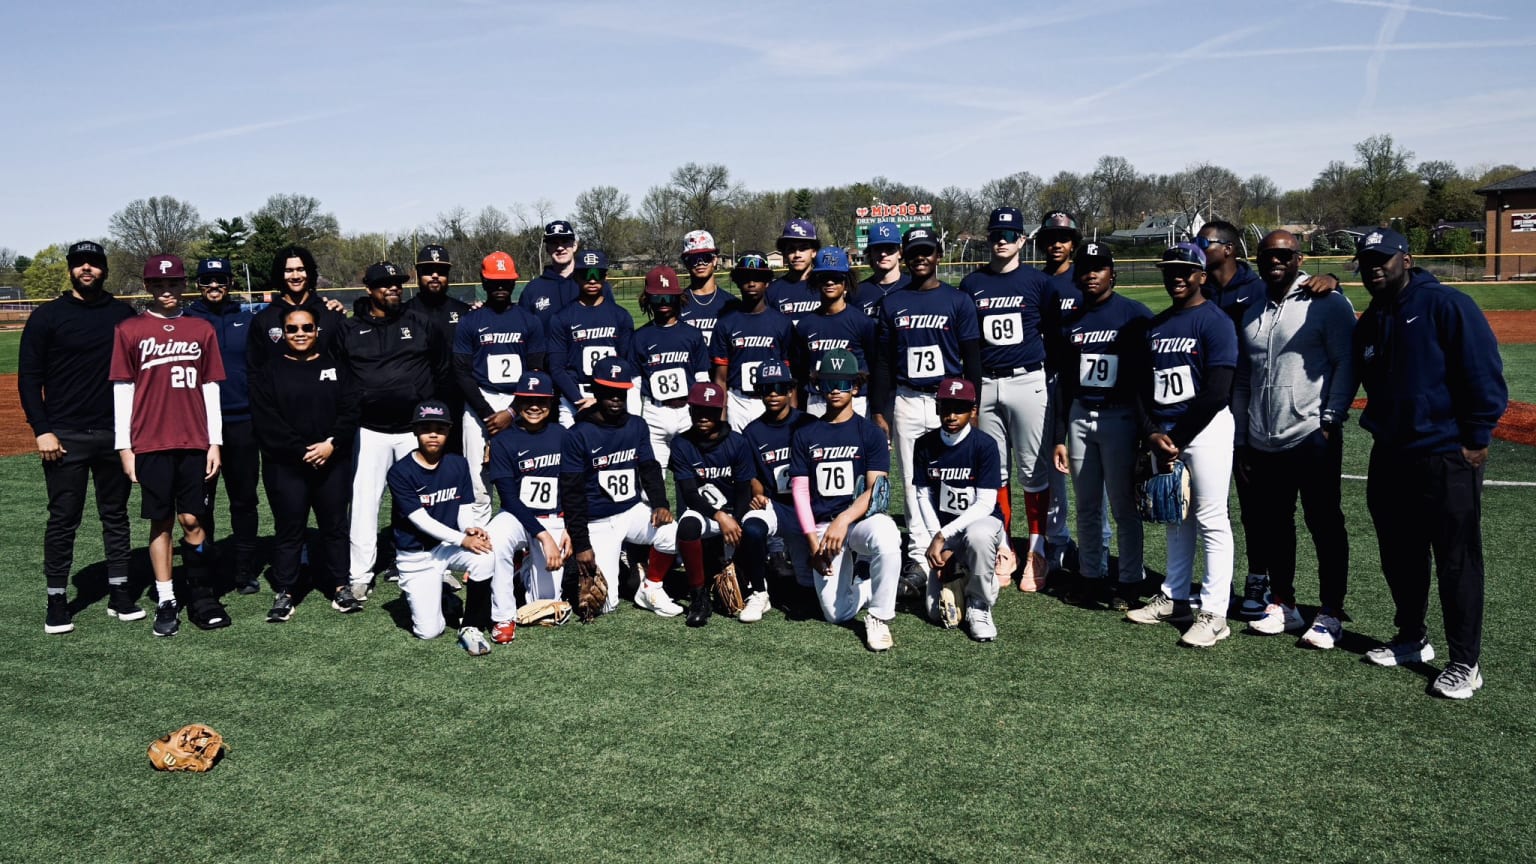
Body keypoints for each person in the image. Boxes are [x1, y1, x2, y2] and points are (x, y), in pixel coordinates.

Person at [1352, 228, 1507, 699]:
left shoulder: (1447, 305)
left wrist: (1476, 436)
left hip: (1445, 452)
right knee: (1400, 554)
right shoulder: (1373, 317)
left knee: (1456, 560)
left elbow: (1482, 371)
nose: (1374, 266)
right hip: (1392, 453)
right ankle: (1411, 638)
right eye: (1366, 260)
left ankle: (1465, 661)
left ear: (1407, 259)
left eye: (1383, 258)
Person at [1196, 219, 1340, 616]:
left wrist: (1332, 279)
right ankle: (1248, 591)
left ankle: (1269, 584)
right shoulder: (1203, 287)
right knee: (1229, 509)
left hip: (1282, 420)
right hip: (1223, 415)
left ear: (1228, 248)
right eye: (1269, 256)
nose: (1198, 249)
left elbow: (1305, 294)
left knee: (1287, 512)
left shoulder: (1257, 286)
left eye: (1204, 243)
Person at [1231, 231, 1357, 645]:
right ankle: (1284, 604)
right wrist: (1243, 434)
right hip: (1263, 437)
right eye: (1269, 254)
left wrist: (1331, 418)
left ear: (1299, 257)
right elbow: (1245, 377)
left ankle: (1330, 612)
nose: (1276, 261)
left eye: (1284, 254)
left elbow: (1346, 363)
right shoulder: (1252, 309)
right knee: (1274, 525)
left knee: (1324, 522)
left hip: (1310, 434)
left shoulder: (1327, 302)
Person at [19, 240, 137, 634]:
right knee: (63, 519)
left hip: (113, 433)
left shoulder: (123, 314)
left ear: (104, 269)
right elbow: (29, 379)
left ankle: (120, 593)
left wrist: (132, 433)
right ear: (70, 269)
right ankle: (56, 600)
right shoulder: (47, 316)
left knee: (116, 516)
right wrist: (43, 431)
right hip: (64, 436)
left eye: (94, 264)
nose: (87, 269)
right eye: (79, 264)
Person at [1124, 244, 1238, 648]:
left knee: (1210, 517)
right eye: (1170, 270)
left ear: (1202, 276)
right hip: (1167, 433)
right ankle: (1174, 597)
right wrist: (1153, 433)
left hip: (1204, 431)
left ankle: (1214, 612)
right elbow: (1141, 390)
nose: (1176, 277)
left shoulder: (1215, 322)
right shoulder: (1155, 326)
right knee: (1175, 514)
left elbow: (1217, 391)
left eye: (1185, 270)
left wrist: (1177, 437)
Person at [110, 254, 227, 637]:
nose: (167, 291)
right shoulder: (129, 330)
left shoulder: (200, 329)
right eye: (159, 285)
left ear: (183, 285)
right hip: (151, 441)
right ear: (148, 287)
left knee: (192, 519)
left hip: (194, 440)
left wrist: (215, 442)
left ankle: (201, 593)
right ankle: (166, 598)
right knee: (160, 521)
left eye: (174, 284)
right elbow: (123, 390)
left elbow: (210, 387)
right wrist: (125, 447)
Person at [871, 227, 982, 589]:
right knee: (915, 481)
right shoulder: (892, 303)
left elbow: (971, 357)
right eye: (914, 252)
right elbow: (884, 364)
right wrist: (880, 411)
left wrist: (973, 402)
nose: (921, 258)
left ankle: (959, 550)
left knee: (956, 478)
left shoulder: (958, 300)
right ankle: (920, 557)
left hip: (948, 402)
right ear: (905, 256)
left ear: (938, 255)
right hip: (906, 398)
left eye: (927, 251)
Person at [1050, 243, 1153, 611]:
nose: (1091, 274)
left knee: (1124, 507)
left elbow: (1146, 378)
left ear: (1113, 272)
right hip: (1081, 415)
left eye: (1099, 268)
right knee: (1088, 505)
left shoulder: (1134, 315)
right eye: (1085, 268)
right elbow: (1064, 384)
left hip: (1120, 417)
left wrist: (1145, 431)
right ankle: (1091, 576)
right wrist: (1059, 435)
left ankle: (1129, 580)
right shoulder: (1072, 320)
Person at [339, 261, 450, 599]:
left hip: (412, 431)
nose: (394, 289)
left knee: (424, 500)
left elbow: (441, 370)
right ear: (369, 289)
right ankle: (360, 573)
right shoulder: (348, 328)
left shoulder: (419, 323)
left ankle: (433, 566)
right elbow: (341, 378)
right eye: (385, 284)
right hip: (369, 430)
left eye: (398, 284)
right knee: (363, 504)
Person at [962, 207, 1054, 591]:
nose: (1001, 239)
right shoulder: (972, 283)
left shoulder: (1038, 282)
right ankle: (1003, 546)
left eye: (1009, 233)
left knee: (1034, 471)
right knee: (994, 471)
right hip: (986, 384)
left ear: (1022, 240)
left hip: (1027, 380)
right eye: (995, 233)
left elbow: (1052, 332)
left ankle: (1037, 547)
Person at [250, 305, 360, 621]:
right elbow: (266, 420)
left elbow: (350, 410)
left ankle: (341, 586)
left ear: (317, 331)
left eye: (307, 328)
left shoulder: (336, 367)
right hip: (286, 466)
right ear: (282, 333)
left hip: (332, 463)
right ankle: (285, 590)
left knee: (334, 526)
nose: (300, 334)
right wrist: (302, 450)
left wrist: (331, 444)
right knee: (289, 528)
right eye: (293, 329)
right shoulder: (268, 371)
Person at [791, 349, 902, 650]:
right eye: (828, 382)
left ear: (856, 386)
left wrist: (843, 519)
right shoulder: (805, 433)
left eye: (843, 382)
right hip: (823, 529)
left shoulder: (871, 433)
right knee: (835, 614)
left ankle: (879, 618)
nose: (836, 389)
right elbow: (800, 491)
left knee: (888, 534)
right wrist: (812, 543)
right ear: (819, 387)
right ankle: (867, 586)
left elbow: (876, 488)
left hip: (857, 522)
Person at [559, 357, 677, 617]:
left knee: (673, 533)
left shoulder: (637, 424)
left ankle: (651, 585)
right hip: (598, 522)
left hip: (631, 510)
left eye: (620, 392)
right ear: (596, 391)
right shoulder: (577, 434)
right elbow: (572, 494)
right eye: (609, 391)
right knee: (604, 606)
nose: (615, 398)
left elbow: (649, 468)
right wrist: (582, 544)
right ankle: (617, 570)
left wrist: (660, 504)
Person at [385, 401, 497, 655]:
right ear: (415, 431)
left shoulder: (457, 464)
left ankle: (471, 626)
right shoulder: (400, 472)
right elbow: (420, 520)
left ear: (449, 431)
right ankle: (443, 596)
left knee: (485, 555)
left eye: (440, 428)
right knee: (429, 632)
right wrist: (462, 539)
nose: (433, 434)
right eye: (426, 428)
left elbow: (465, 508)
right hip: (416, 555)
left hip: (445, 547)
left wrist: (470, 530)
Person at [185, 257, 262, 594]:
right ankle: (208, 563)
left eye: (219, 279)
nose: (213, 286)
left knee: (244, 499)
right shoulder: (188, 320)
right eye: (206, 280)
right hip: (200, 428)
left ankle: (244, 569)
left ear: (230, 282)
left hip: (243, 422)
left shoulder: (246, 319)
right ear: (197, 284)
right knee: (202, 503)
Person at [453, 251, 547, 525]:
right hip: (479, 402)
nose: (500, 287)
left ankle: (523, 549)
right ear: (483, 282)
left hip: (520, 403)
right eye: (494, 282)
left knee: (525, 476)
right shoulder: (470, 322)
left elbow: (535, 371)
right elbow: (461, 371)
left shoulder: (529, 321)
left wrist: (512, 410)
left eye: (505, 282)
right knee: (478, 485)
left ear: (514, 282)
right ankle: (479, 553)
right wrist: (488, 414)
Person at [912, 378, 1008, 642]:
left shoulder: (985, 445)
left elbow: (986, 504)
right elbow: (923, 495)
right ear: (937, 408)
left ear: (973, 411)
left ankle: (980, 604)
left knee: (978, 535)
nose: (951, 415)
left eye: (959, 408)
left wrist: (943, 537)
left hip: (983, 524)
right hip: (945, 532)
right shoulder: (924, 444)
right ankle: (970, 574)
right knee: (935, 613)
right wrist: (937, 540)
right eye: (946, 408)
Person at [654, 382, 755, 627]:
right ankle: (698, 596)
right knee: (687, 526)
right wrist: (719, 516)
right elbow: (689, 494)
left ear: (721, 411)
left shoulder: (737, 442)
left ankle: (757, 585)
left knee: (753, 530)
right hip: (706, 513)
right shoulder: (681, 443)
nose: (703, 416)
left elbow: (744, 491)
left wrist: (736, 522)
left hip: (735, 513)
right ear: (689, 411)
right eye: (697, 409)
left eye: (709, 411)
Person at [485, 371, 568, 643]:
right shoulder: (502, 441)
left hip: (555, 517)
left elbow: (574, 486)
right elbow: (508, 498)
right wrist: (543, 536)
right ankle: (503, 618)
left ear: (552, 403)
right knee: (496, 539)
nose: (534, 406)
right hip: (518, 516)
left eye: (541, 401)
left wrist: (570, 527)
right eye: (527, 400)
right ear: (517, 402)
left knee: (546, 606)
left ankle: (523, 569)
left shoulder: (563, 435)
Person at [736, 362, 819, 619]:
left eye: (779, 388)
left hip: (809, 509)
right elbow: (753, 476)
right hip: (777, 506)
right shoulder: (752, 431)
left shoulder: (808, 423)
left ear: (790, 390)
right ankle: (760, 592)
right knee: (751, 525)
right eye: (766, 389)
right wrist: (759, 494)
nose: (773, 394)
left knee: (811, 591)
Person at [1035, 210, 1086, 570]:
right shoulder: (1035, 283)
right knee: (1051, 463)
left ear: (1074, 244)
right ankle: (1058, 539)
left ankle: (1096, 543)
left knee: (1087, 467)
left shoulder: (1084, 281)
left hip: (1084, 381)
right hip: (1047, 378)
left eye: (1063, 238)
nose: (1057, 244)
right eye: (1051, 238)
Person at [631, 265, 710, 469]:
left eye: (669, 296)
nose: (664, 302)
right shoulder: (640, 337)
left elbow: (702, 380)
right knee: (652, 480)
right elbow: (634, 386)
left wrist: (702, 412)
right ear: (647, 299)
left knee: (694, 479)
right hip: (654, 412)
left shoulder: (693, 335)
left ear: (678, 298)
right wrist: (634, 422)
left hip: (687, 413)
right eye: (657, 297)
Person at [547, 250, 635, 427]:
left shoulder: (621, 316)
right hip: (576, 398)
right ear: (575, 277)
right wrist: (579, 400)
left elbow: (627, 362)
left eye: (598, 273)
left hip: (612, 397)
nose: (592, 279)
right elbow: (556, 368)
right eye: (586, 274)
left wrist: (607, 399)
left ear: (605, 277)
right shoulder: (561, 318)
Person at [711, 252, 794, 432]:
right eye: (745, 278)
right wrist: (722, 418)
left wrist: (792, 414)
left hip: (772, 401)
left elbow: (790, 375)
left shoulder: (782, 323)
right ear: (738, 281)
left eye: (758, 278)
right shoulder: (725, 324)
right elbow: (720, 378)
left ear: (767, 282)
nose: (751, 283)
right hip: (737, 402)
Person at [793, 247, 876, 416]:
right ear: (816, 281)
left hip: (854, 399)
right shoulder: (805, 325)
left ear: (846, 281)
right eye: (824, 278)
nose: (830, 282)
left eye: (836, 278)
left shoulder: (863, 322)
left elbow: (874, 367)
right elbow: (799, 371)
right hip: (817, 400)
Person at [406, 243, 472, 451]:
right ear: (418, 274)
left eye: (441, 271)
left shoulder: (464, 311)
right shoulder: (403, 313)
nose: (435, 276)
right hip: (415, 401)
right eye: (428, 271)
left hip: (456, 401)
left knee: (455, 463)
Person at [247, 245, 344, 370]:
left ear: (309, 272)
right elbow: (255, 367)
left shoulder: (331, 313)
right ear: (280, 274)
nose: (295, 276)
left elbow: (344, 362)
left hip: (325, 387)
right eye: (288, 270)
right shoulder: (264, 319)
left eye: (301, 269)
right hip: (281, 388)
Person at [516, 220, 615, 316]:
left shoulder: (594, 284)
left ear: (575, 245)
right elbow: (523, 328)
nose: (560, 248)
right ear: (547, 248)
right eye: (554, 243)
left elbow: (612, 321)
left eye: (565, 241)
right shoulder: (533, 289)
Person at [678, 229, 737, 351]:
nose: (700, 263)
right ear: (686, 263)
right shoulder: (677, 303)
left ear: (715, 260)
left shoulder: (732, 304)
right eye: (694, 258)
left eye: (706, 257)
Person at [766, 218, 824, 327]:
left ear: (814, 252)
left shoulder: (826, 286)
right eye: (791, 249)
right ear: (784, 253)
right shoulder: (772, 291)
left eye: (803, 249)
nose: (797, 254)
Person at [853, 221, 910, 318]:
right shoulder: (857, 292)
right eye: (878, 248)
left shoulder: (912, 287)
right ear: (870, 253)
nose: (883, 254)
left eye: (889, 248)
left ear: (900, 253)